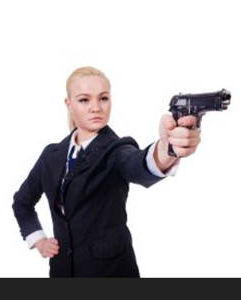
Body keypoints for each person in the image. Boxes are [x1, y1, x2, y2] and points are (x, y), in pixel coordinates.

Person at [11, 66, 201, 277]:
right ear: (69, 104)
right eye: (84, 100)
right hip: (63, 271)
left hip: (111, 271)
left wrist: (167, 149)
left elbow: (137, 164)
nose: (96, 108)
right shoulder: (51, 155)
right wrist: (37, 239)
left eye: (103, 98)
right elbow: (22, 202)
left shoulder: (116, 150)